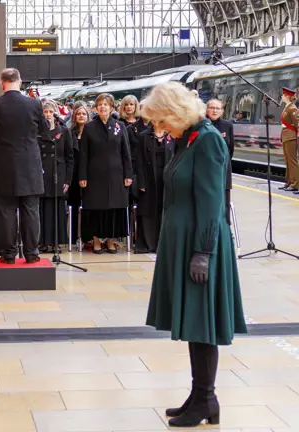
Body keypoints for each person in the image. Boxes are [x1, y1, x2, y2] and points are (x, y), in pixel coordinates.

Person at [143, 81, 246, 428]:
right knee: (193, 323)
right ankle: (200, 395)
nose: (159, 129)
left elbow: (212, 202)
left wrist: (202, 252)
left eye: (160, 121)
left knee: (202, 322)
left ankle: (205, 398)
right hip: (184, 242)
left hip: (201, 246)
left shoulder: (209, 141)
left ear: (175, 113)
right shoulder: (189, 140)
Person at [0, 68, 48, 264]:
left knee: (6, 211)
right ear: (20, 81)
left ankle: (9, 254)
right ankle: (32, 253)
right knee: (31, 210)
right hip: (29, 166)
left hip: (3, 168)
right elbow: (44, 131)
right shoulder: (34, 104)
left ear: (2, 83)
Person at [78, 93, 133, 254]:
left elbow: (126, 152)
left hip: (116, 174)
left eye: (105, 104)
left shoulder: (119, 126)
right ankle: (96, 241)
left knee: (113, 209)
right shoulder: (89, 127)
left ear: (111, 108)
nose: (102, 107)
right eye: (99, 104)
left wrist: (128, 174)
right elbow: (83, 154)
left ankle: (110, 241)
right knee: (95, 208)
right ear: (96, 108)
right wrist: (82, 176)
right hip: (94, 175)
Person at [134, 118, 173, 253]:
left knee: (165, 209)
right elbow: (138, 160)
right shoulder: (143, 136)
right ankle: (148, 243)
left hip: (167, 179)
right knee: (147, 210)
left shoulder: (171, 135)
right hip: (148, 178)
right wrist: (141, 181)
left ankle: (163, 243)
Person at [39, 100, 74, 252]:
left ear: (55, 113)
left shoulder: (64, 131)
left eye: (50, 112)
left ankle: (56, 242)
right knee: (42, 209)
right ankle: (43, 242)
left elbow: (69, 157)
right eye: (45, 112)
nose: (47, 115)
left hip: (58, 173)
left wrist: (68, 179)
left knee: (57, 209)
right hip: (42, 173)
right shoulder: (38, 131)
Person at [206, 99, 235, 220]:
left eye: (218, 108)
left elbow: (230, 148)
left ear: (222, 111)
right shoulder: (201, 124)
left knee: (224, 205)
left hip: (223, 171)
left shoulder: (227, 126)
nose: (214, 110)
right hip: (206, 172)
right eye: (212, 108)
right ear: (206, 110)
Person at [68, 102, 89, 242]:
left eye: (83, 114)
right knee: (74, 204)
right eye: (78, 114)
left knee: (88, 204)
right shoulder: (70, 133)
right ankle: (74, 235)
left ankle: (88, 235)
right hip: (74, 173)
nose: (81, 116)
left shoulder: (93, 132)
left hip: (89, 172)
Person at [280, 87, 299, 192]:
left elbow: (297, 123)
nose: (282, 97)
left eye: (283, 95)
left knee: (292, 161)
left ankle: (295, 184)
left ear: (287, 96)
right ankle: (289, 182)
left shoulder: (293, 108)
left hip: (291, 136)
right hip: (286, 136)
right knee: (287, 161)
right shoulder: (287, 107)